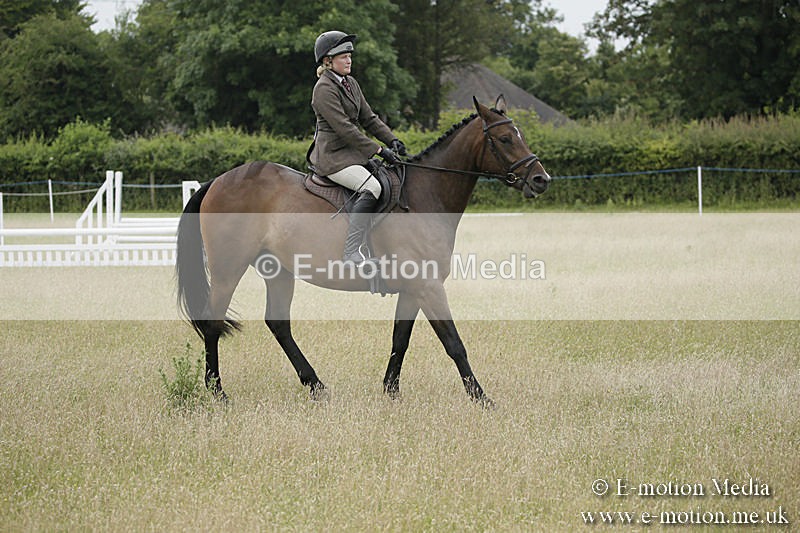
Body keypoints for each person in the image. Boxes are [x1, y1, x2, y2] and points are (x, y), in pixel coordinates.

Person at [308, 30, 407, 266]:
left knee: (391, 178)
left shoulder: (351, 83)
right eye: (343, 56)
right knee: (371, 187)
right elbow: (345, 129)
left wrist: (392, 139)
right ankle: (351, 251)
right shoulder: (323, 89)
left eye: (349, 55)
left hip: (351, 154)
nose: (349, 60)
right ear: (327, 61)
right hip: (332, 158)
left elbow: (369, 118)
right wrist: (380, 150)